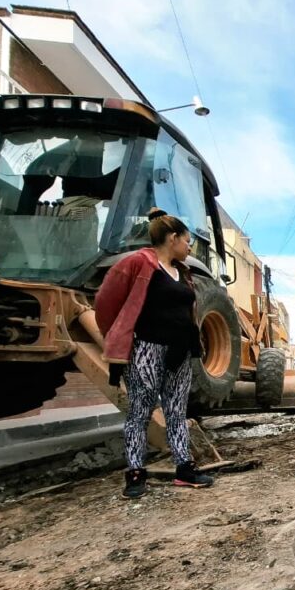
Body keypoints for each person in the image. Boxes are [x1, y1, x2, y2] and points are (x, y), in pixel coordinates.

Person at [95, 207, 213, 499]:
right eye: (187, 241)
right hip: (147, 350)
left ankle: (184, 468)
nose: (189, 248)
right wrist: (118, 337)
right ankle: (135, 473)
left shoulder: (182, 272)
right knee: (140, 412)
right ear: (173, 238)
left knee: (177, 412)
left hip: (179, 352)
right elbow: (105, 302)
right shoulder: (137, 263)